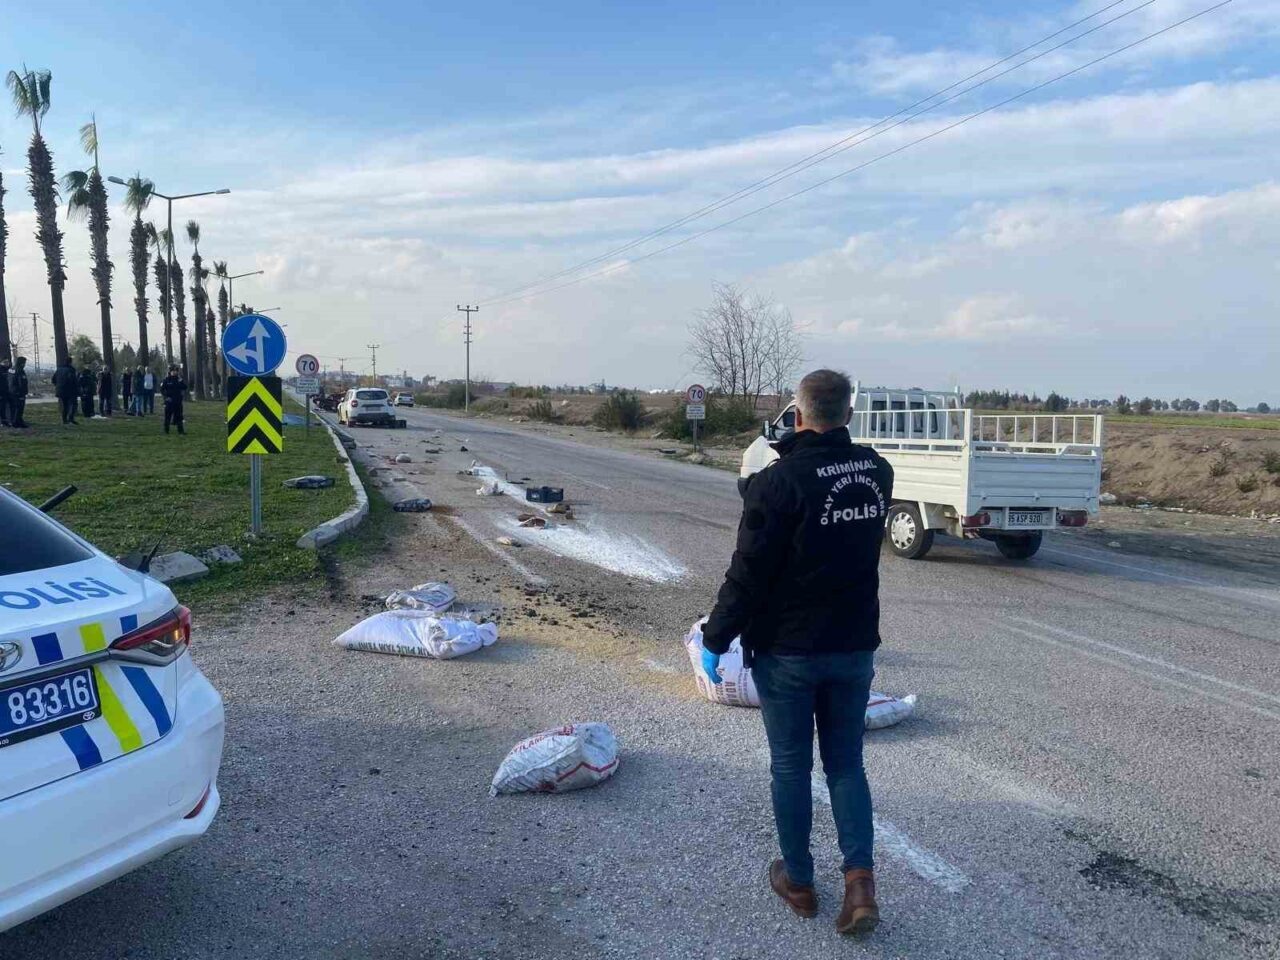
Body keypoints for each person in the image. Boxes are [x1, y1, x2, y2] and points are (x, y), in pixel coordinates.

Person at [701, 369, 894, 937]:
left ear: (799, 415)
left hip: (789, 650)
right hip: (853, 645)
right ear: (849, 414)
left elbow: (748, 573)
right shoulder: (877, 471)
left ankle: (801, 882)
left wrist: (716, 638)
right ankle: (860, 883)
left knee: (790, 766)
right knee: (846, 765)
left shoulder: (778, 481)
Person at [160, 365, 186, 434]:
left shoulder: (179, 379)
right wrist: (166, 397)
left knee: (179, 416)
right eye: (173, 371)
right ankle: (166, 431)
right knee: (167, 417)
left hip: (178, 401)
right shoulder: (166, 380)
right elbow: (162, 390)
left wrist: (181, 381)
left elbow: (184, 387)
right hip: (169, 401)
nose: (174, 372)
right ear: (170, 372)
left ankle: (181, 431)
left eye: (176, 371)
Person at [53, 358, 79, 424]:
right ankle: (71, 418)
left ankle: (64, 420)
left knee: (65, 405)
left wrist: (58, 385)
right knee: (73, 404)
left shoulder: (59, 369)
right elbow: (73, 380)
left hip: (60, 390)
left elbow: (53, 379)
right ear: (70, 362)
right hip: (70, 390)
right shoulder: (71, 370)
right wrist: (77, 388)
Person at [9, 357, 29, 428]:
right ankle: (17, 423)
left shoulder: (11, 369)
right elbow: (22, 383)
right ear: (22, 363)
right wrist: (23, 392)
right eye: (24, 363)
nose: (25, 364)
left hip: (11, 392)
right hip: (19, 393)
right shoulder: (20, 370)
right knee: (19, 408)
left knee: (14, 408)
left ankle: (15, 421)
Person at [0, 357, 11, 427]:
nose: (7, 363)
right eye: (5, 362)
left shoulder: (8, 369)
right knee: (1, 407)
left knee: (5, 407)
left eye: (8, 362)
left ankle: (6, 421)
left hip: (7, 391)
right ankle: (2, 422)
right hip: (1, 392)